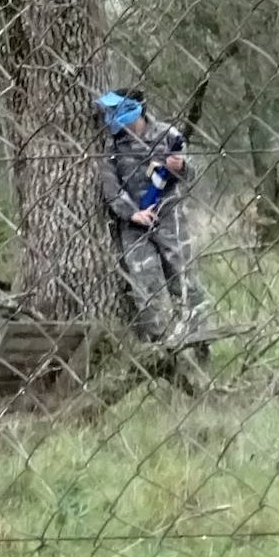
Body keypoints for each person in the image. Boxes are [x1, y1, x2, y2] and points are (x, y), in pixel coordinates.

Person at [96, 89, 211, 386]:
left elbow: (190, 174)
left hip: (169, 217)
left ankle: (198, 343)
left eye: (116, 111)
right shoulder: (111, 145)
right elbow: (110, 188)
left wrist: (180, 167)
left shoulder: (167, 135)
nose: (110, 118)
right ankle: (157, 350)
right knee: (143, 282)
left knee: (183, 278)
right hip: (133, 223)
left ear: (136, 111)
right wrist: (132, 213)